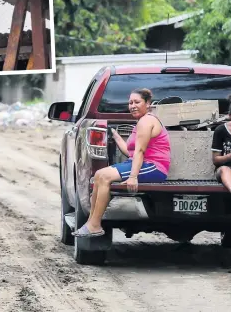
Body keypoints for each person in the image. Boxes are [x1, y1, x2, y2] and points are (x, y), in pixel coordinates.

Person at [72, 88, 171, 238]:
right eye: (130, 103)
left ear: (148, 104)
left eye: (137, 102)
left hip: (154, 167)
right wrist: (115, 135)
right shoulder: (141, 122)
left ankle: (94, 224)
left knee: (104, 177)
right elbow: (130, 151)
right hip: (141, 163)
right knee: (99, 174)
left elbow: (140, 152)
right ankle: (92, 223)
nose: (132, 106)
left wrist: (133, 177)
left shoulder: (147, 121)